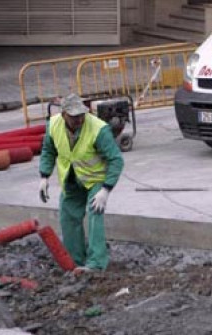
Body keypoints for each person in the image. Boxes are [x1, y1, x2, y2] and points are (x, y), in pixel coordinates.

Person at [39, 94, 124, 272]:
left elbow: (116, 160)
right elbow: (48, 150)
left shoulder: (98, 129)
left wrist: (106, 190)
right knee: (67, 217)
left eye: (81, 115)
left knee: (95, 214)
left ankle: (96, 263)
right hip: (71, 178)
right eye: (74, 116)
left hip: (96, 180)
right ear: (63, 115)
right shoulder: (53, 125)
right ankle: (74, 262)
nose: (79, 119)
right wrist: (44, 176)